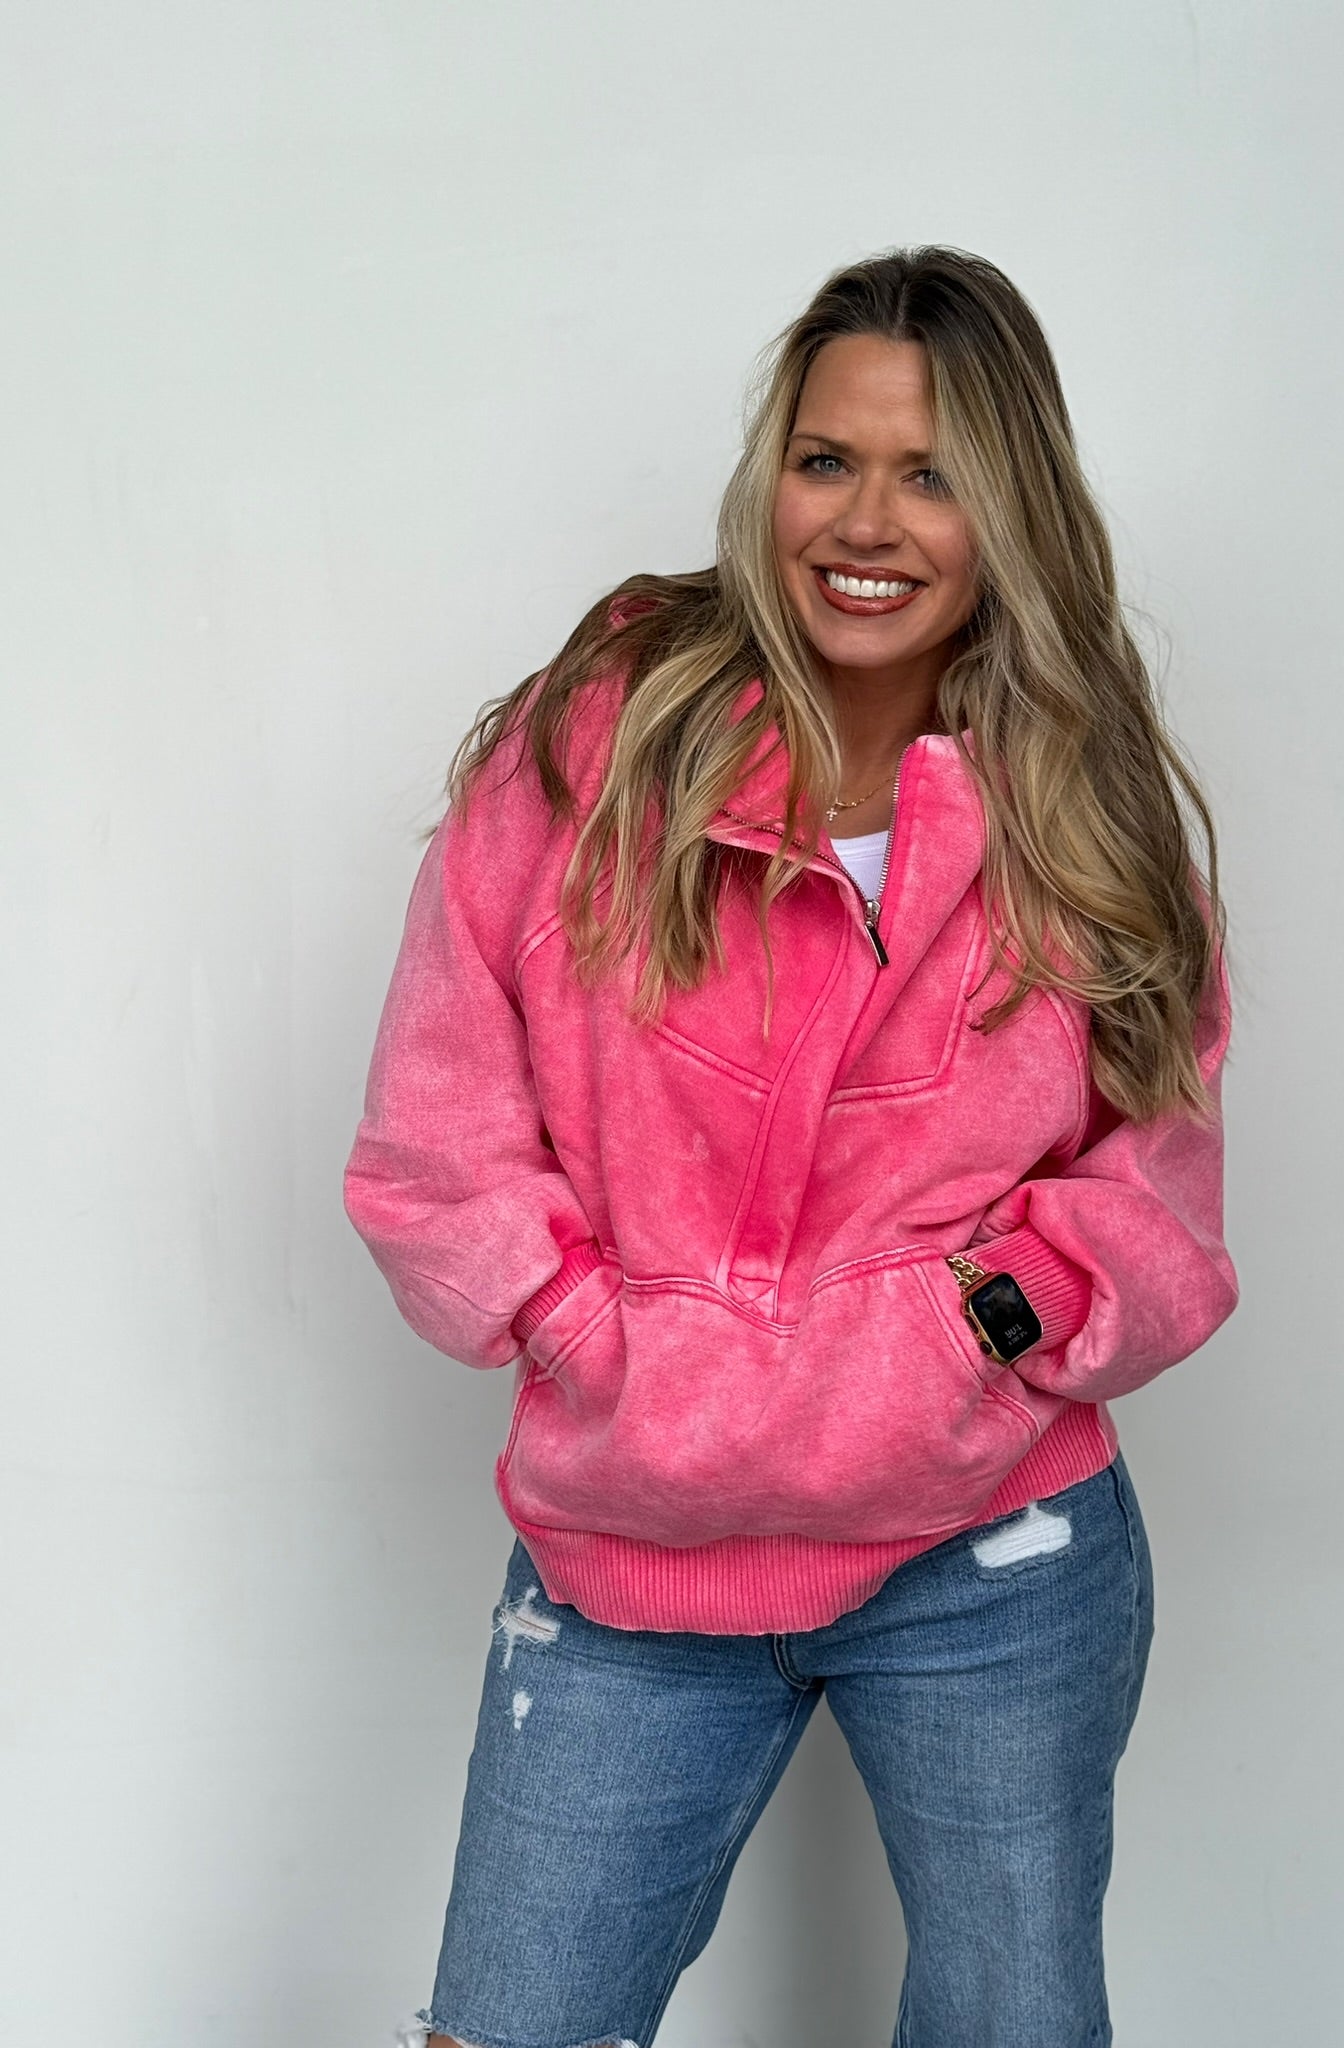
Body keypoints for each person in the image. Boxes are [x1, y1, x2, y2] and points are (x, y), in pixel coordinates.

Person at [343, 244, 1240, 2048]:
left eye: (933, 474)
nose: (868, 522)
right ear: (774, 475)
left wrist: (972, 1332)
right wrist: (592, 1335)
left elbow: (1153, 1207)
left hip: (992, 1557)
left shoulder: (1086, 805)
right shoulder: (595, 746)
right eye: (829, 459)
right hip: (629, 1551)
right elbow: (436, 1139)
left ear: (1011, 510)